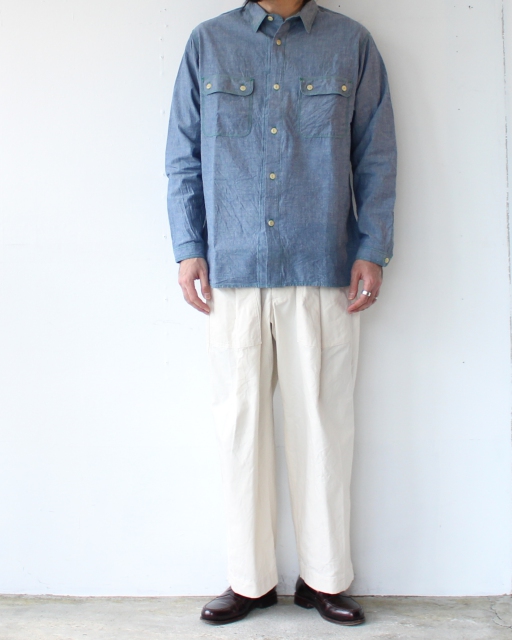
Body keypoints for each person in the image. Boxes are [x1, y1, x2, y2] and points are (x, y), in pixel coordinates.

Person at [165, 0, 396, 627]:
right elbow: (183, 155)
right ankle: (249, 581)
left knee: (323, 427)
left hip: (322, 265)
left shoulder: (351, 43)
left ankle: (324, 580)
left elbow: (376, 153)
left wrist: (372, 247)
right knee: (240, 429)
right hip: (233, 270)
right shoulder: (208, 44)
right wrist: (188, 247)